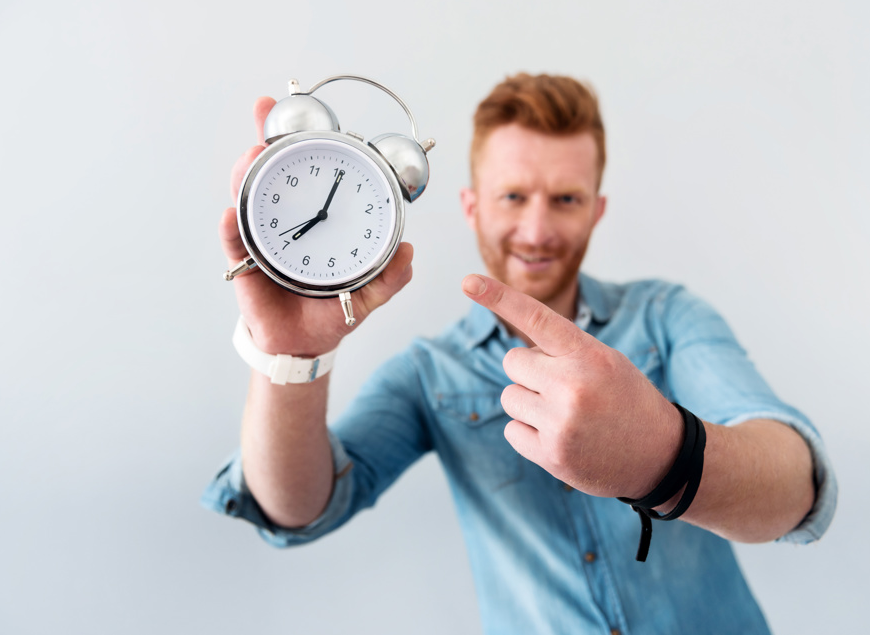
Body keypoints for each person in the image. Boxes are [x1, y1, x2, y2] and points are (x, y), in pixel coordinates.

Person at [203, 73, 836, 634]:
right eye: (512, 197)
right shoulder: (430, 374)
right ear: (471, 207)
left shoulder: (668, 316)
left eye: (565, 199)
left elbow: (797, 486)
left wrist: (660, 456)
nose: (536, 231)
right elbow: (297, 509)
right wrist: (286, 357)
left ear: (596, 211)